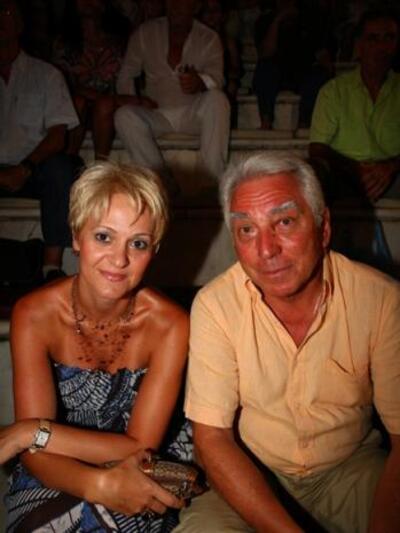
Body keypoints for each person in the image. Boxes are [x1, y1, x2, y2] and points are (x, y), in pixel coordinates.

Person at [175, 151, 400, 532]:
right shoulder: (216, 306)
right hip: (252, 471)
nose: (266, 250)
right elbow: (211, 439)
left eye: (284, 222)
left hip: (351, 470)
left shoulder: (380, 300)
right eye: (247, 230)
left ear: (323, 228)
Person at [3, 161, 192, 531]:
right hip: (53, 465)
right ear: (76, 236)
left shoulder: (170, 325)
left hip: (145, 466)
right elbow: (36, 456)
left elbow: (141, 448)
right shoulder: (34, 315)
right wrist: (97, 484)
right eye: (104, 237)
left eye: (138, 243)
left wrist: (30, 431)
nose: (119, 260)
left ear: (154, 250)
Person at [0, 0, 81, 281]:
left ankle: (51, 265)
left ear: (20, 24)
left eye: (7, 12)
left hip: (32, 169)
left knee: (61, 168)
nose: (1, 19)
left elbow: (58, 136)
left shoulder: (46, 74)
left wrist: (25, 168)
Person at [114, 0, 230, 193]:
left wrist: (200, 81)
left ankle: (211, 183)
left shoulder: (209, 38)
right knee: (124, 115)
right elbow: (126, 74)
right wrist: (136, 100)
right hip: (157, 112)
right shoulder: (145, 33)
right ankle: (161, 184)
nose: (176, 6)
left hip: (193, 113)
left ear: (195, 7)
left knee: (218, 100)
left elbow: (217, 79)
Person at [309, 6, 400, 204]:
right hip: (346, 174)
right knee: (315, 171)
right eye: (373, 38)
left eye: (389, 38)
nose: (382, 46)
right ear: (359, 45)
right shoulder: (334, 91)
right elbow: (317, 148)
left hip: (394, 175)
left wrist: (390, 167)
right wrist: (356, 168)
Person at [52, 0, 131, 160]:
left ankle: (100, 165)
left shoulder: (122, 41)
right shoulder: (64, 44)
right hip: (78, 108)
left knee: (104, 106)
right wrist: (96, 96)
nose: (88, 2)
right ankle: (69, 162)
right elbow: (60, 85)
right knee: (79, 102)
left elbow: (132, 82)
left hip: (114, 108)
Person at [253, 0, 336, 130]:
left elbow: (322, 53)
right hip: (275, 73)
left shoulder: (310, 19)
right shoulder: (265, 20)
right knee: (264, 69)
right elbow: (265, 52)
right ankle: (266, 121)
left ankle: (304, 123)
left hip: (303, 72)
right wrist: (278, 20)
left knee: (319, 75)